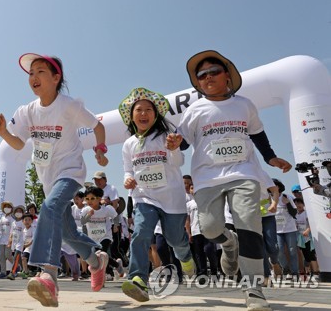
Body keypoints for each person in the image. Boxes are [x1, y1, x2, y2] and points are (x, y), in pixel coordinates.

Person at [170, 50, 292, 310]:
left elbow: (258, 134)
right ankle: (228, 242)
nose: (208, 77)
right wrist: (174, 142)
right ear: (198, 83)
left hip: (243, 173)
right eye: (202, 75)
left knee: (249, 225)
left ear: (227, 75)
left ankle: (253, 288)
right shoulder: (195, 110)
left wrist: (271, 159)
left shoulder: (244, 105)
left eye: (214, 71)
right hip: (206, 178)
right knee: (211, 228)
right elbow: (182, 143)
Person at [0, 53, 109, 307]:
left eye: (40, 72)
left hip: (70, 172)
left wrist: (100, 148)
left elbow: (97, 126)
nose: (33, 77)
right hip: (48, 178)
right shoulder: (26, 111)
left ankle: (49, 277)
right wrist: (3, 132)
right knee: (66, 231)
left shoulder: (68, 105)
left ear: (56, 78)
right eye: (31, 73)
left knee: (50, 207)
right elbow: (18, 143)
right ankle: (96, 259)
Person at [118, 87, 195, 302]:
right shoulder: (128, 144)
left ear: (156, 114)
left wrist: (172, 149)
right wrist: (127, 180)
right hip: (144, 197)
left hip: (171, 199)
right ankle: (137, 280)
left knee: (174, 239)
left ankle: (186, 257)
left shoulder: (165, 137)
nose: (143, 114)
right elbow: (127, 169)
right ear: (131, 116)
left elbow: (179, 162)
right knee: (141, 233)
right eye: (139, 110)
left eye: (148, 110)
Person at [80, 186, 124, 281]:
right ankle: (116, 265)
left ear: (99, 198)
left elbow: (115, 216)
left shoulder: (106, 209)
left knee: (102, 254)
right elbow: (83, 222)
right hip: (93, 237)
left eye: (92, 198)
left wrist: (116, 225)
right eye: (87, 199)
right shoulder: (86, 210)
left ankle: (105, 274)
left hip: (105, 236)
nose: (89, 201)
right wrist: (89, 215)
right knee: (98, 256)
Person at [294, 198, 320, 278]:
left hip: (309, 238)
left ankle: (316, 272)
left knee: (312, 254)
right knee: (306, 256)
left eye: (299, 203)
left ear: (303, 204)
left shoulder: (307, 213)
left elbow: (312, 224)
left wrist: (308, 230)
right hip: (301, 239)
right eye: (296, 204)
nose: (298, 205)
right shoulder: (295, 215)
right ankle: (308, 272)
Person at [0, 201, 14, 279]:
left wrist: (11, 240)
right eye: (6, 206)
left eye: (9, 207)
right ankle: (3, 272)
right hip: (2, 239)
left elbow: (13, 229)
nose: (7, 208)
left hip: (9, 239)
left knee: (7, 254)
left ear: (11, 209)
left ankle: (17, 266)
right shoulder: (2, 218)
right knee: (2, 256)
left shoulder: (12, 219)